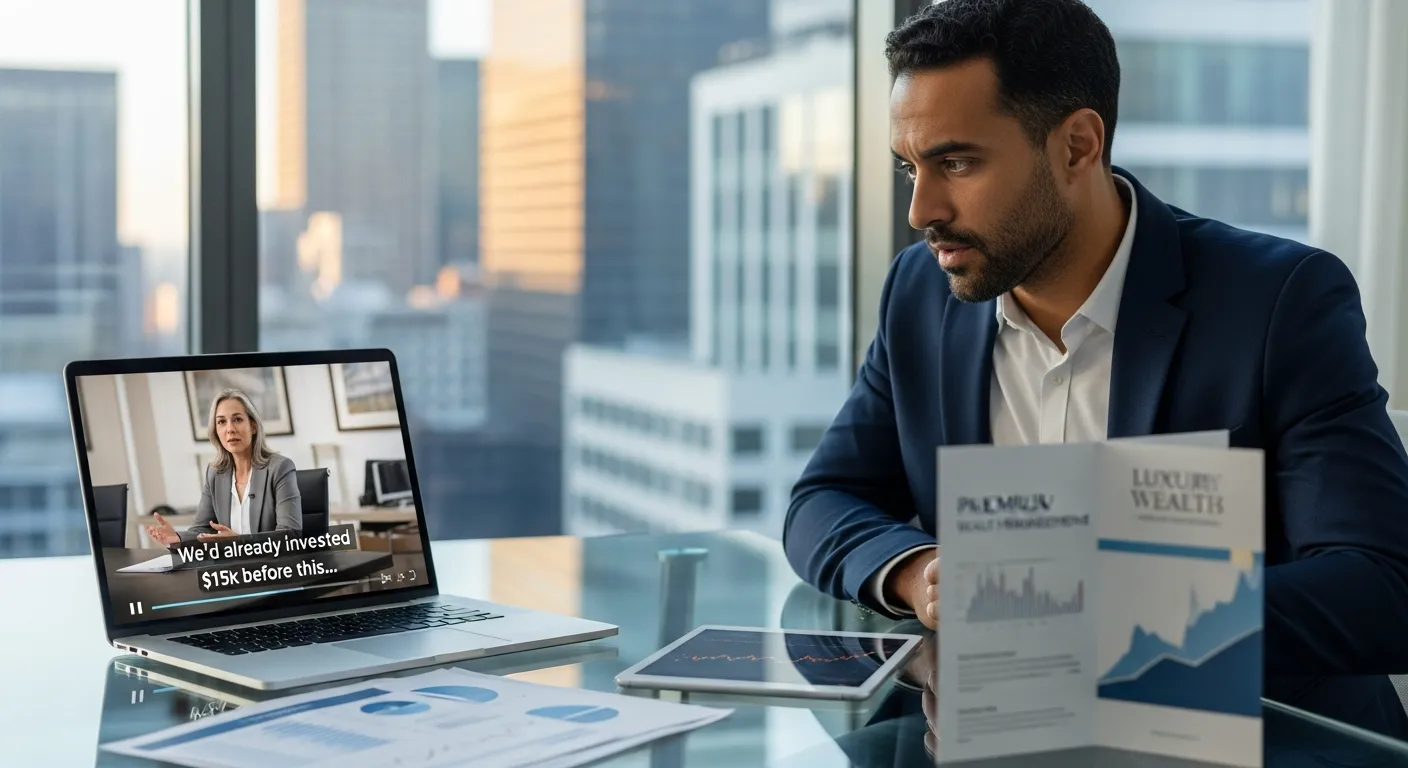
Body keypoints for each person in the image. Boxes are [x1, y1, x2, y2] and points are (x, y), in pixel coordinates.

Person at [784, 0, 1408, 737]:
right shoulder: (919, 296)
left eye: (956, 162)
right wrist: (921, 573)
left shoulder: (1276, 303)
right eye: (909, 167)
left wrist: (1100, 609)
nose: (922, 209)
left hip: (1265, 741)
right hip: (995, 734)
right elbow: (822, 500)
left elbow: (1383, 588)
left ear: (1078, 145)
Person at [145, 388, 302, 545]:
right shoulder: (215, 473)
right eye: (221, 422)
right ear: (216, 431)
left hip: (271, 567)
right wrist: (178, 537)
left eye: (237, 420)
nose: (230, 429)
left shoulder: (279, 468)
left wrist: (240, 542)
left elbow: (290, 535)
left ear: (253, 426)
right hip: (230, 566)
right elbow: (202, 529)